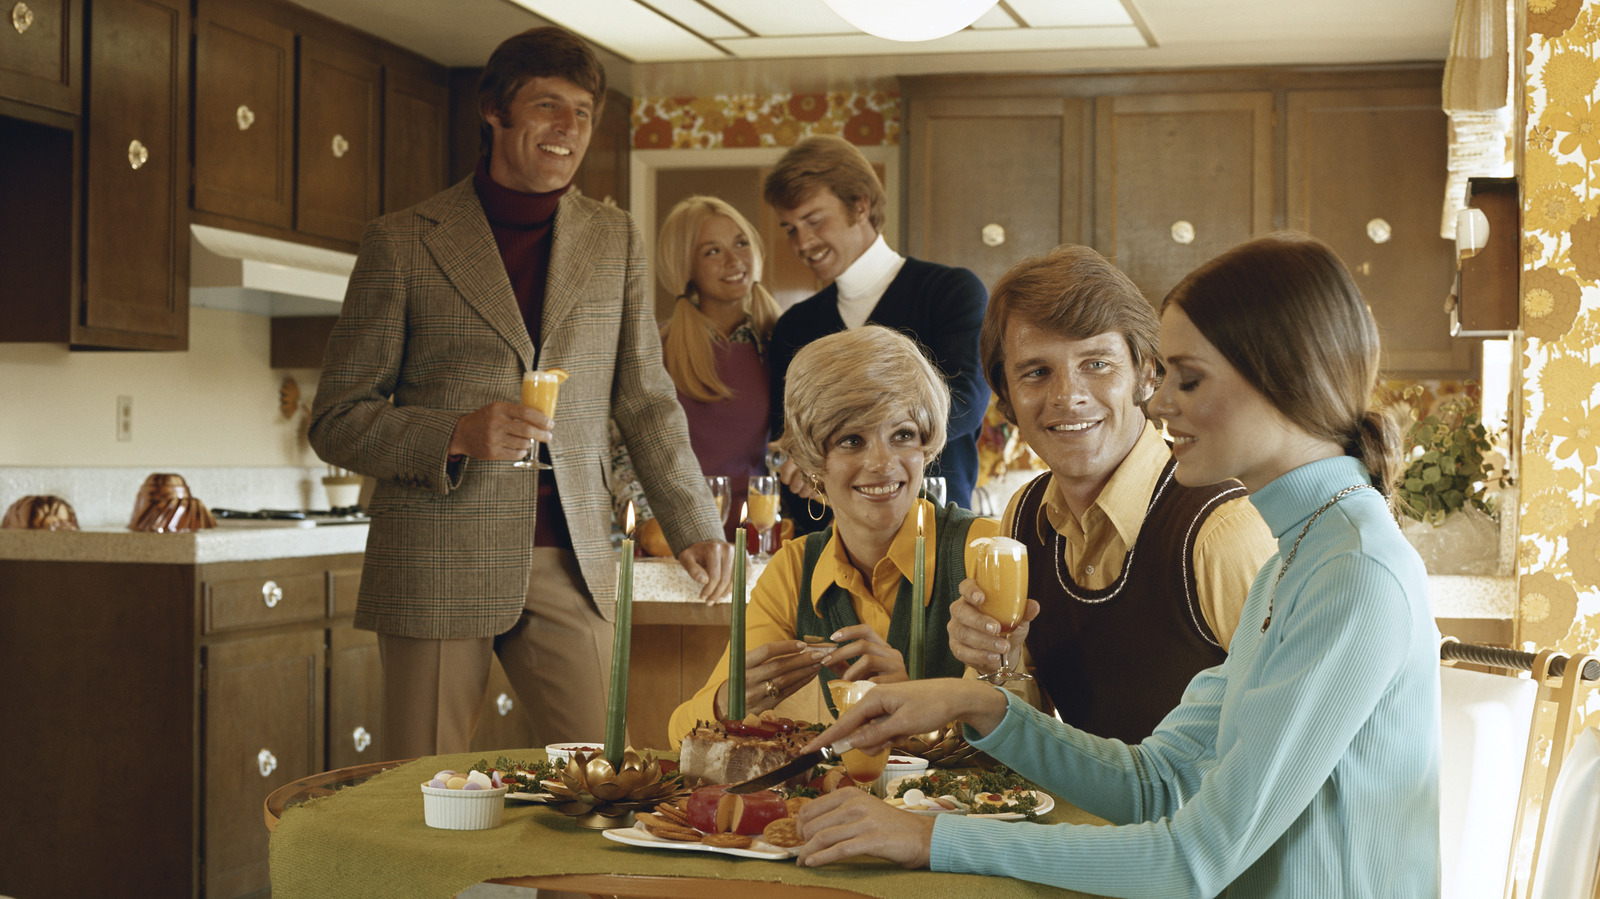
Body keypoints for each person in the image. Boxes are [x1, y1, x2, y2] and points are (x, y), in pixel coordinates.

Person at [793, 233, 1442, 897]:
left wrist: (929, 838)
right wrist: (975, 700)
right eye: (1036, 371)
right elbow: (1157, 780)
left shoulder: (1352, 572)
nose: (1160, 402)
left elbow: (1194, 859)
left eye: (1189, 379)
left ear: (1281, 379)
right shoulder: (1302, 556)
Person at [308, 26, 731, 761]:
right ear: (495, 111)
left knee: (609, 781)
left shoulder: (616, 239)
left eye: (582, 113)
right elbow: (337, 419)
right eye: (547, 106)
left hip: (572, 556)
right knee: (425, 791)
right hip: (437, 557)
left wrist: (693, 518)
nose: (568, 128)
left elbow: (645, 397)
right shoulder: (402, 241)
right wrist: (454, 433)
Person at [947, 245, 1275, 742]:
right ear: (1006, 395)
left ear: (1147, 373)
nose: (1067, 395)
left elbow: (1296, 743)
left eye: (1097, 363)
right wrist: (999, 666)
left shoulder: (1222, 531)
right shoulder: (1025, 517)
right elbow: (1034, 735)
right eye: (1036, 372)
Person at [666, 326, 1001, 745]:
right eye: (852, 440)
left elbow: (1023, 731)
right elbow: (680, 734)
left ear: (926, 445)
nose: (882, 463)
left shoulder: (985, 551)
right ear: (812, 463)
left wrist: (917, 707)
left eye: (902, 435)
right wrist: (724, 704)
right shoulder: (795, 569)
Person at [764, 135, 988, 520]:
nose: (802, 242)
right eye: (790, 229)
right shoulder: (796, 325)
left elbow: (964, 401)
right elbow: (786, 433)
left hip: (931, 529)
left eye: (814, 221)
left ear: (860, 205)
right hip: (825, 537)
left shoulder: (950, 292)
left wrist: (835, 445)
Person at [610, 195, 783, 546]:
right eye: (712, 251)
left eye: (741, 243)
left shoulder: (779, 343)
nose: (734, 260)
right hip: (674, 540)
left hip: (761, 539)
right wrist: (649, 528)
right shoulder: (652, 348)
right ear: (685, 266)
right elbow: (621, 454)